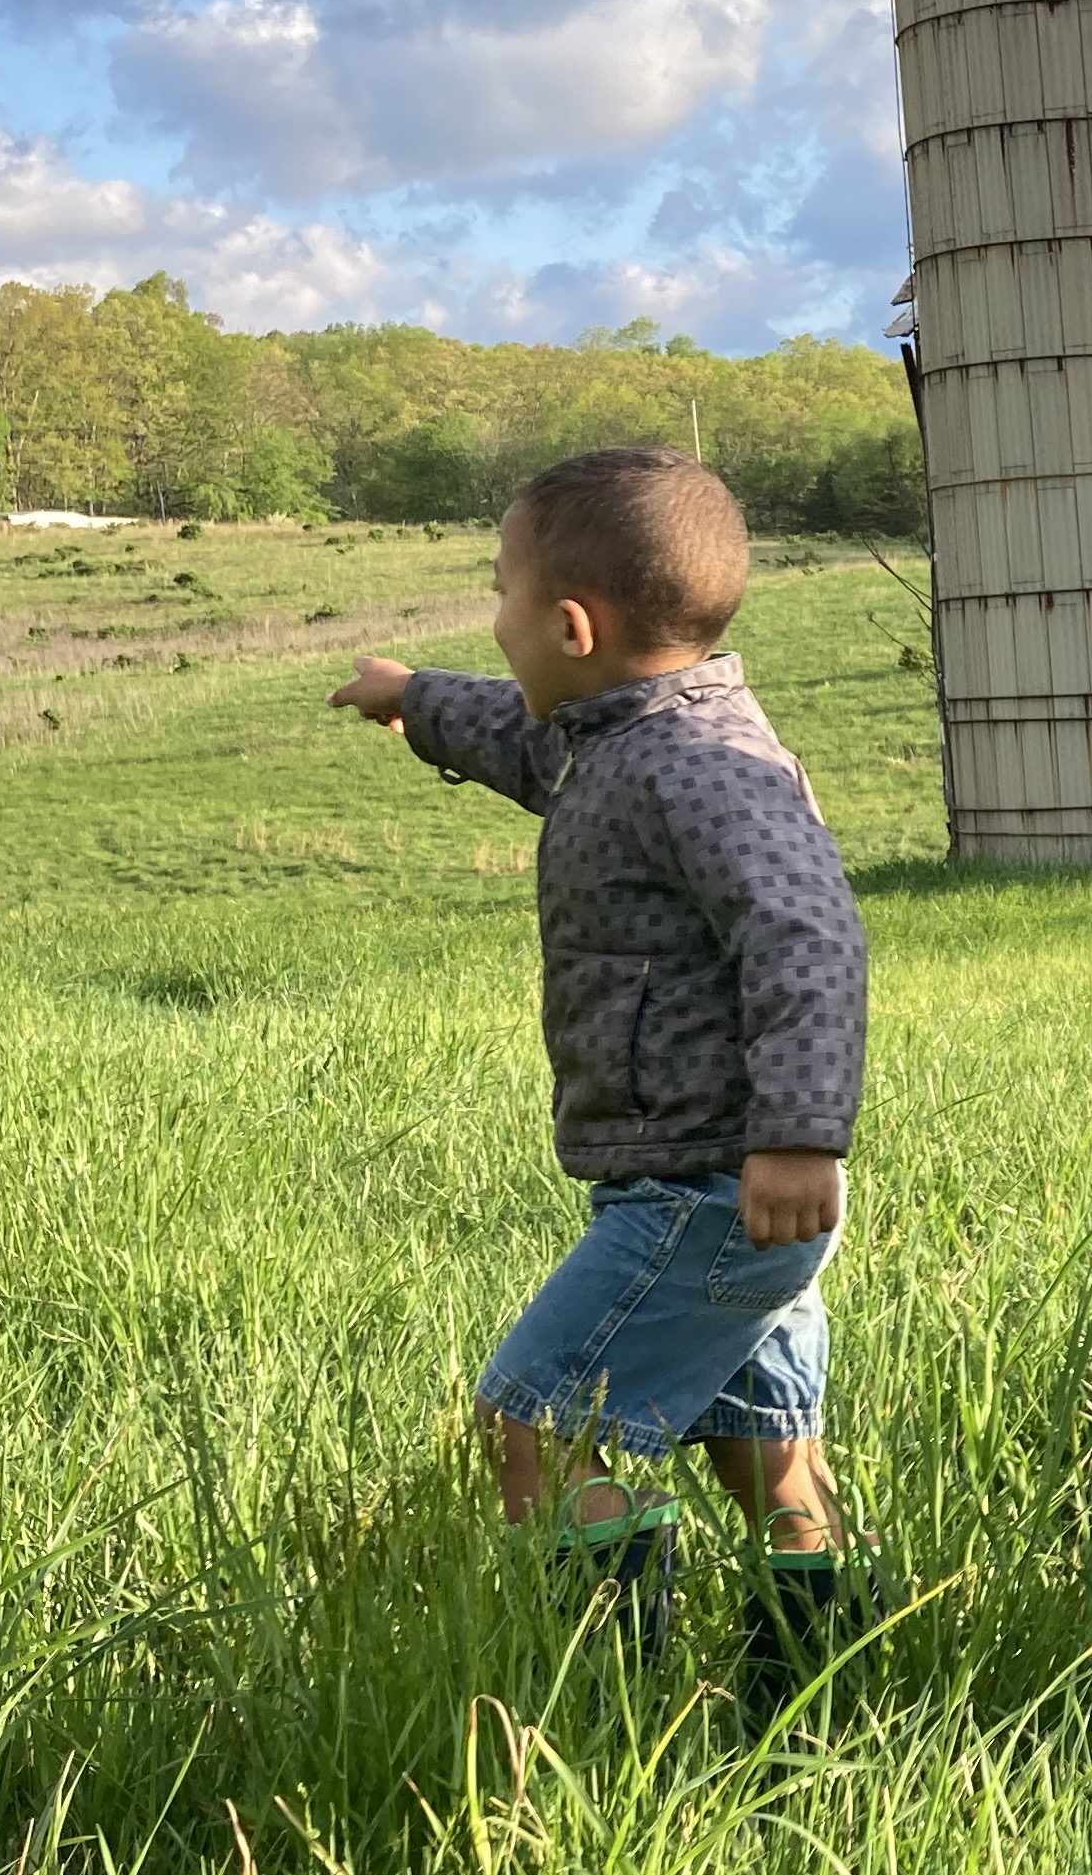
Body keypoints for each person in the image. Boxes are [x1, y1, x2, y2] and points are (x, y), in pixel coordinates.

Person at [330, 446, 877, 1717]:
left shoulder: (700, 770)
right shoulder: (621, 739)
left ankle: (616, 1715)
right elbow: (528, 744)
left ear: (573, 627)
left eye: (501, 595)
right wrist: (415, 698)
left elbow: (808, 936)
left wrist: (800, 1133)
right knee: (767, 1457)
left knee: (543, 1426)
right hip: (721, 1187)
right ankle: (814, 1707)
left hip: (708, 1186)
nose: (497, 620)